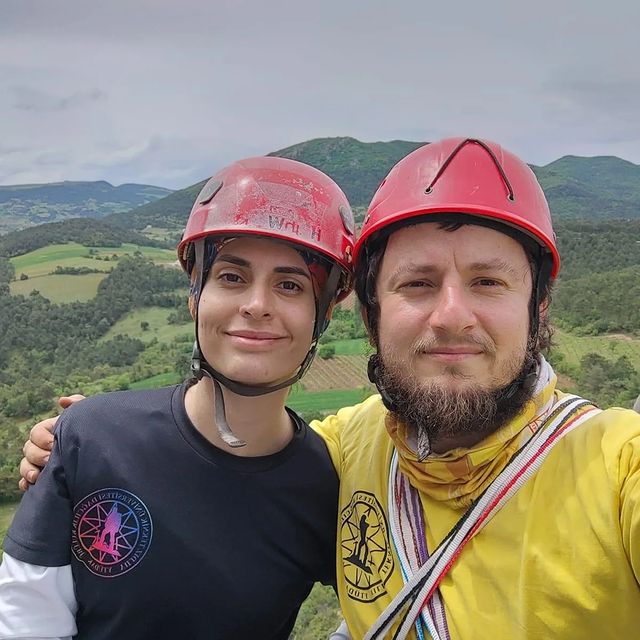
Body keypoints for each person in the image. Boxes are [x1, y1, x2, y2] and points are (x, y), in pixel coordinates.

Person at [18, 137, 640, 639]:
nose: (451, 315)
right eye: (417, 284)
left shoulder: (617, 468)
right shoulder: (345, 451)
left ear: (538, 306)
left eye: (488, 282)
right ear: (369, 314)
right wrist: (78, 443)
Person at [0, 156, 355, 639]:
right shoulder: (91, 438)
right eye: (231, 277)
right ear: (194, 295)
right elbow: (26, 619)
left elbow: (384, 609)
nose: (256, 304)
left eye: (290, 285)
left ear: (324, 314)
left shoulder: (326, 488)